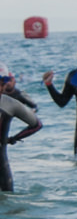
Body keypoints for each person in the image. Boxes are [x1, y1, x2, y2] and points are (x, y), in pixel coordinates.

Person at [0, 64, 43, 192]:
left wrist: (14, 138)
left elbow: (37, 125)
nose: (2, 87)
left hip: (1, 168)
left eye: (4, 83)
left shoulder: (11, 104)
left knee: (9, 207)